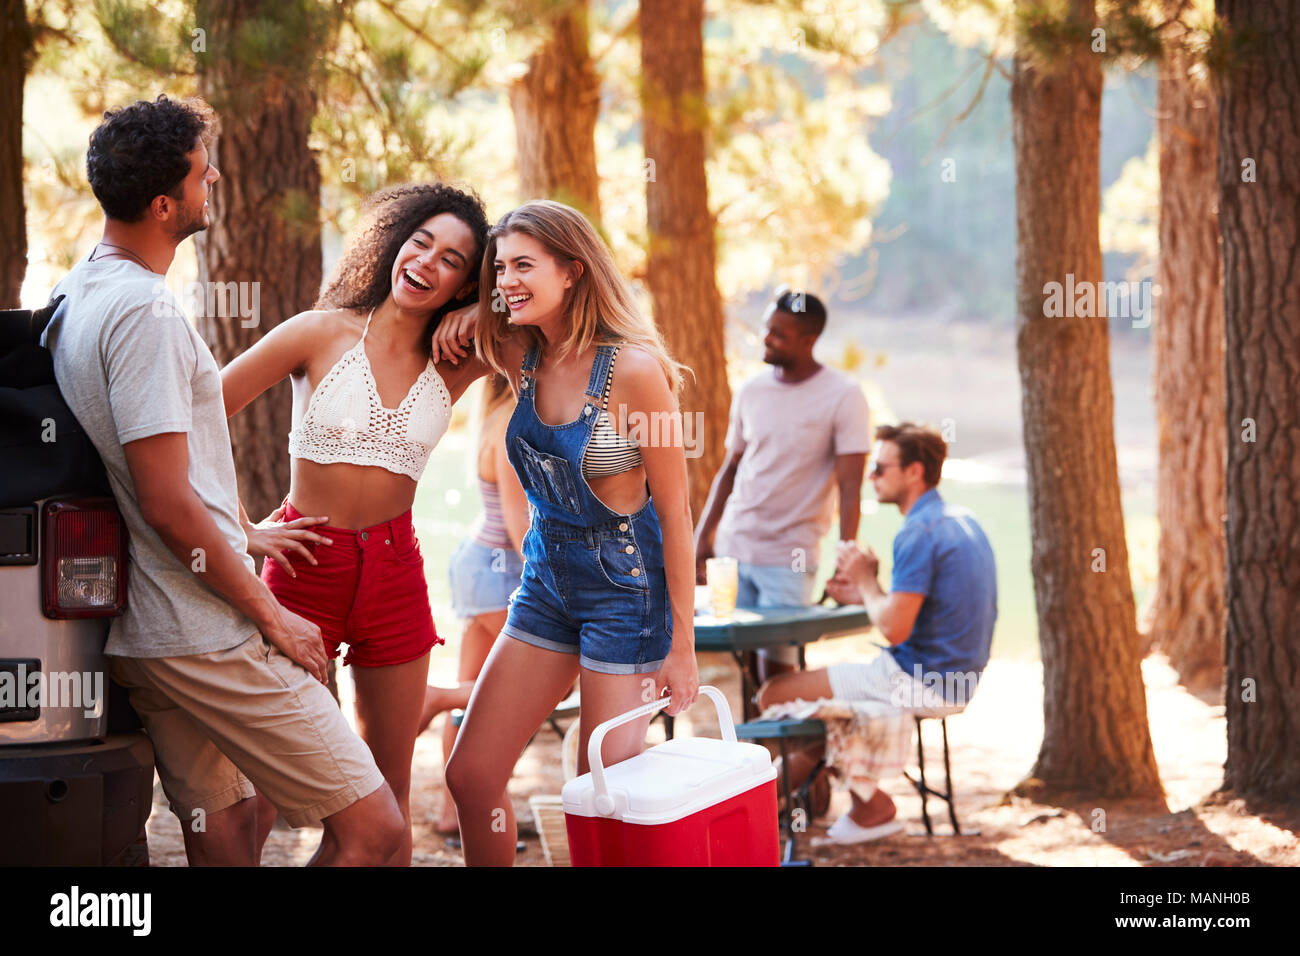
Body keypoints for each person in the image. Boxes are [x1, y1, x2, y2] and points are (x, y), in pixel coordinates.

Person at [44, 95, 404, 865]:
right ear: (165, 203)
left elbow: (154, 465)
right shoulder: (145, 314)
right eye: (205, 179)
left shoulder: (80, 290)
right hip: (204, 632)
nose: (215, 188)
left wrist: (242, 527)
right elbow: (167, 500)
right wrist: (273, 615)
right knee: (377, 830)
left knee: (229, 832)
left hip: (148, 636)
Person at [218, 182, 491, 865]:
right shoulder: (321, 331)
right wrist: (239, 527)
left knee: (387, 791)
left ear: (464, 281)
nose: (427, 262)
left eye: (454, 260)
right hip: (303, 568)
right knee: (262, 791)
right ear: (396, 242)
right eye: (421, 242)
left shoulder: (456, 359)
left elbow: (560, 314)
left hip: (396, 574)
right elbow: (196, 413)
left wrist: (488, 307)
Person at [430, 199, 700, 866]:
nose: (507, 282)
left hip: (624, 592)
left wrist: (683, 645)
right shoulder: (521, 353)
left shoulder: (633, 372)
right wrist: (472, 310)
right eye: (500, 270)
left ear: (573, 271)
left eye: (524, 265)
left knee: (596, 788)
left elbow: (676, 511)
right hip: (545, 583)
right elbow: (451, 331)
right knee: (471, 775)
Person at [757, 421, 997, 844]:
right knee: (822, 710)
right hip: (955, 681)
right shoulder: (961, 521)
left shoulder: (917, 532)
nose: (870, 477)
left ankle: (838, 806)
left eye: (881, 468)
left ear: (914, 471)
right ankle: (848, 803)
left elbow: (894, 629)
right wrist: (869, 593)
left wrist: (867, 581)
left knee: (774, 694)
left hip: (918, 680)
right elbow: (919, 612)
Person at [694, 289, 870, 685]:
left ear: (809, 341)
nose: (767, 338)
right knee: (745, 665)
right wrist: (704, 535)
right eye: (766, 329)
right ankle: (760, 747)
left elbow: (850, 486)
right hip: (735, 547)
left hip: (790, 554)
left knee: (780, 666)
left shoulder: (844, 396)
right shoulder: (751, 390)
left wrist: (846, 557)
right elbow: (730, 468)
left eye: (780, 334)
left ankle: (787, 747)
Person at [416, 371, 530, 838]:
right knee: (550, 681)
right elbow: (519, 525)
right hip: (497, 570)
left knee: (473, 688)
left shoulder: (499, 417)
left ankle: (451, 813)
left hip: (480, 564)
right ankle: (434, 697)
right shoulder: (510, 427)